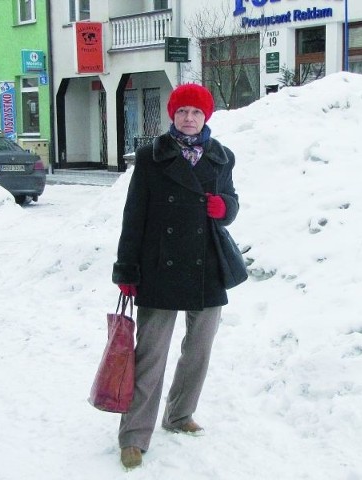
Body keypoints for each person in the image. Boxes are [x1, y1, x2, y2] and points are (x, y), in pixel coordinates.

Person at [112, 83, 240, 470]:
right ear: (172, 115)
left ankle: (180, 415)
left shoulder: (221, 157)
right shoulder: (152, 157)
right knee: (151, 355)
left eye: (196, 112)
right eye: (182, 111)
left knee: (198, 351)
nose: (188, 118)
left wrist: (225, 208)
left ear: (206, 117)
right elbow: (134, 214)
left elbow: (232, 199)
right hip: (159, 265)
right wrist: (127, 270)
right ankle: (134, 435)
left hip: (207, 265)